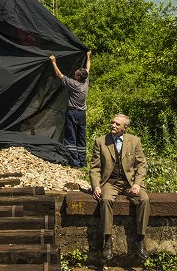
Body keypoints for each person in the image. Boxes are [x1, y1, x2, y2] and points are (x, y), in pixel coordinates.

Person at [90, 114, 150, 261]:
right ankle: (107, 240)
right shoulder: (101, 141)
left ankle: (140, 240)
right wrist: (96, 186)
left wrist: (137, 183)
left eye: (117, 124)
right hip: (110, 182)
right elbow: (95, 168)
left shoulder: (135, 141)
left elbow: (141, 165)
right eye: (112, 123)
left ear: (125, 128)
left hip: (129, 183)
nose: (113, 126)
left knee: (144, 199)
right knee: (105, 200)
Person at [49, 50, 91, 167]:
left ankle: (75, 162)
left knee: (71, 136)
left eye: (76, 74)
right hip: (82, 114)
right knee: (81, 137)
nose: (74, 74)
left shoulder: (74, 84)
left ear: (78, 77)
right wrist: (88, 56)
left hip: (73, 113)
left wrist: (53, 62)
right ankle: (83, 162)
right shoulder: (85, 81)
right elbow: (88, 68)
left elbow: (59, 75)